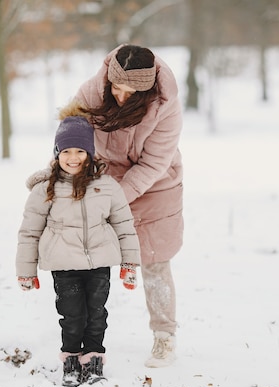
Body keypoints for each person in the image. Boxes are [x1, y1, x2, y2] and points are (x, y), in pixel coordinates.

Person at [69, 43, 183, 368]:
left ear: (145, 91)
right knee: (85, 258)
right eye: (116, 88)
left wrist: (114, 198)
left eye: (131, 92)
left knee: (154, 260)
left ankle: (164, 337)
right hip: (104, 176)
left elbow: (152, 165)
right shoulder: (94, 90)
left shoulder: (166, 107)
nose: (120, 96)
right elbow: (72, 134)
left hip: (155, 183)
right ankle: (81, 339)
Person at [15, 114, 141, 387]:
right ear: (57, 153)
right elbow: (29, 231)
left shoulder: (106, 186)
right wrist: (26, 271)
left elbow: (124, 225)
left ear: (90, 154)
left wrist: (129, 263)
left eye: (80, 151)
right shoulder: (45, 189)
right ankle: (71, 362)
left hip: (100, 262)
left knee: (97, 314)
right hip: (64, 264)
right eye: (67, 151)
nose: (73, 158)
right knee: (72, 315)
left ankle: (94, 361)